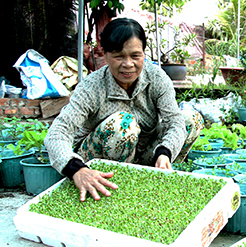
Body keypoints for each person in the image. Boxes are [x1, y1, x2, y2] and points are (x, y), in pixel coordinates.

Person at [44, 18, 203, 202]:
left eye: (135, 56)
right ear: (105, 53)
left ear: (144, 53)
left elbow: (174, 122)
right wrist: (77, 169)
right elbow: (57, 133)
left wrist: (164, 152)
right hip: (98, 162)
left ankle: (153, 181)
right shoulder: (92, 86)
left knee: (190, 119)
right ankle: (115, 192)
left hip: (144, 154)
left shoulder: (157, 78)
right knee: (123, 124)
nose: (128, 64)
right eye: (119, 56)